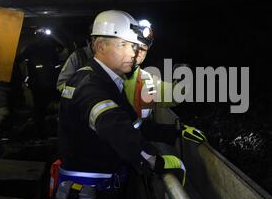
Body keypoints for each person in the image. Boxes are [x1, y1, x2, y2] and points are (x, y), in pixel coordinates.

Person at [55, 10, 186, 199]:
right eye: (124, 45)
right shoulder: (90, 84)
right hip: (91, 197)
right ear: (99, 46)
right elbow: (113, 126)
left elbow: (132, 124)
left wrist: (175, 131)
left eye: (134, 46)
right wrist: (154, 160)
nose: (133, 53)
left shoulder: (109, 81)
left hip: (107, 189)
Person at [56, 15, 206, 145]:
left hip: (129, 153)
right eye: (135, 47)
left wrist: (184, 80)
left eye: (143, 50)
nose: (137, 54)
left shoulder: (146, 80)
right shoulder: (96, 76)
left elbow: (171, 96)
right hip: (100, 153)